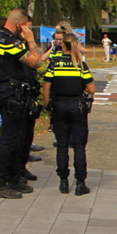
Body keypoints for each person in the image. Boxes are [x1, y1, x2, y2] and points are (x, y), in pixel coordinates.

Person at [0, 8, 42, 199]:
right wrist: (30, 40)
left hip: (3, 89)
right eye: (26, 26)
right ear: (21, 24)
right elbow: (35, 62)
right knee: (9, 139)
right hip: (11, 92)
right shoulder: (9, 40)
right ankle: (0, 183)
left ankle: (14, 178)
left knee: (18, 137)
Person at [43, 31, 95, 195]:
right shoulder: (80, 65)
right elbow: (91, 89)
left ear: (62, 45)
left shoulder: (54, 64)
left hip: (59, 106)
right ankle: (80, 183)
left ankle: (63, 182)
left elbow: (45, 89)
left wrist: (48, 108)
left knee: (62, 145)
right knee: (79, 147)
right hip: (77, 107)